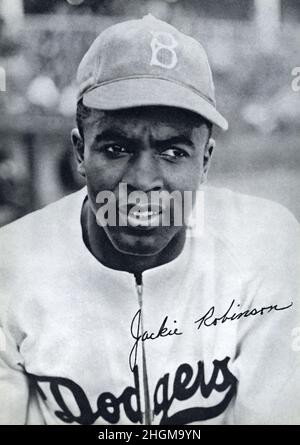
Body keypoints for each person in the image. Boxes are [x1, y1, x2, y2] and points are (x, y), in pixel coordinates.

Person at [0, 14, 299, 426]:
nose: (142, 182)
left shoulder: (265, 245)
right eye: (116, 148)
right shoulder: (10, 264)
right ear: (80, 152)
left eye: (173, 152)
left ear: (205, 161)